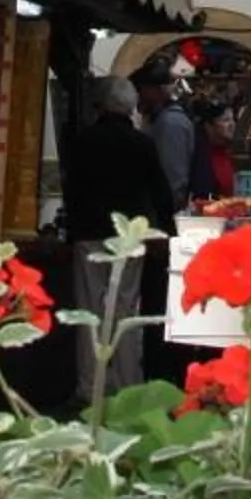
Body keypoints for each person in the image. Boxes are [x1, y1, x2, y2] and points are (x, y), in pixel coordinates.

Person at [62, 77, 175, 390]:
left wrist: (71, 230)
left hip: (90, 233)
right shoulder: (142, 143)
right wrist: (164, 230)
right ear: (130, 106)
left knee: (89, 311)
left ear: (100, 104)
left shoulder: (84, 141)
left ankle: (90, 385)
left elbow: (73, 190)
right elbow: (161, 192)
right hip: (128, 237)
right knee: (124, 308)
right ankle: (128, 382)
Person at [136, 70, 197, 203]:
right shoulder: (160, 119)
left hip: (167, 203)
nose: (137, 97)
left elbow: (172, 177)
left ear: (157, 90)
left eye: (140, 90)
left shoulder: (169, 122)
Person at [191, 99, 237, 202]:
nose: (232, 124)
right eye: (225, 120)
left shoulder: (233, 153)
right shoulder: (201, 157)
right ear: (209, 126)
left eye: (233, 119)